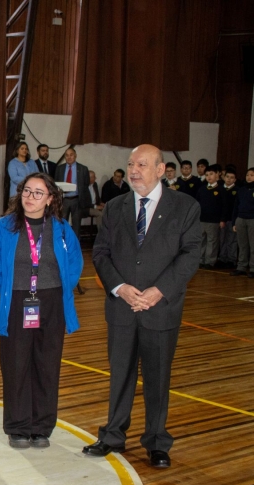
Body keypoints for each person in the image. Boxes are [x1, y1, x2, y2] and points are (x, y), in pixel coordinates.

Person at [84, 144, 200, 468]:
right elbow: (101, 253)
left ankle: (156, 441)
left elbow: (190, 255)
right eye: (131, 164)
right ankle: (112, 436)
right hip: (122, 308)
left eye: (142, 165)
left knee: (157, 378)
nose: (134, 170)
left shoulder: (185, 207)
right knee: (119, 374)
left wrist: (158, 291)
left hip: (160, 309)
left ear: (161, 170)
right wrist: (120, 288)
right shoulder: (115, 207)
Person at [0, 172, 82, 449]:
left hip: (52, 302)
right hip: (17, 301)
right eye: (27, 191)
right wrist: (0, 287)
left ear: (50, 199)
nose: (30, 197)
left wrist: (61, 286)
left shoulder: (62, 229)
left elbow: (74, 263)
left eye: (38, 193)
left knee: (47, 364)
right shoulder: (3, 227)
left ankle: (41, 426)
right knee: (15, 364)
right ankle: (17, 426)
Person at [54, 147, 91, 238]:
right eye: (67, 155)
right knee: (61, 223)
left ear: (75, 156)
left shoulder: (83, 169)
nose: (69, 157)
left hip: (77, 200)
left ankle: (75, 246)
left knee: (76, 225)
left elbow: (86, 185)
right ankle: (61, 243)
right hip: (64, 200)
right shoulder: (59, 169)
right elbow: (56, 183)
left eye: (71, 155)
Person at [196, 164, 226, 268]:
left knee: (212, 241)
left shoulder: (221, 189)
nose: (209, 177)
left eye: (211, 174)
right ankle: (200, 260)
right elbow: (197, 204)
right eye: (207, 174)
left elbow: (224, 206)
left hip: (214, 220)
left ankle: (210, 261)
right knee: (201, 240)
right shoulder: (202, 189)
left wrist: (222, 219)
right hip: (202, 219)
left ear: (217, 175)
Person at [230, 168, 254, 278]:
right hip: (241, 218)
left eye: (252, 175)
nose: (249, 177)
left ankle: (253, 268)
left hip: (252, 219)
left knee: (253, 245)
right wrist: (234, 222)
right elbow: (235, 206)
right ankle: (241, 267)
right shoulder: (241, 190)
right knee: (242, 245)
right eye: (248, 174)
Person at [218, 167, 239, 268]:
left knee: (232, 240)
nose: (229, 179)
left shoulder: (237, 190)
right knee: (222, 240)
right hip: (222, 219)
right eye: (227, 177)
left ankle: (231, 259)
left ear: (235, 180)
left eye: (232, 178)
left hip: (232, 219)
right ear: (224, 177)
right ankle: (222, 258)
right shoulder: (220, 189)